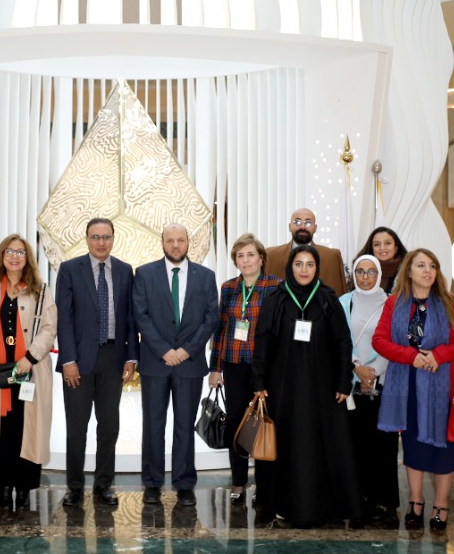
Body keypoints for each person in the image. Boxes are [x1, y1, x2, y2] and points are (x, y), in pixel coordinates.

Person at [251, 245, 360, 527]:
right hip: (282, 389)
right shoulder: (275, 299)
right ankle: (284, 506)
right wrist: (259, 380)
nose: (303, 270)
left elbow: (342, 342)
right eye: (298, 264)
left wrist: (343, 381)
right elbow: (262, 340)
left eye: (309, 264)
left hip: (322, 390)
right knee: (287, 445)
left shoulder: (327, 299)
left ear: (316, 267)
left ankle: (324, 508)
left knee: (320, 446)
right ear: (290, 267)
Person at [373, 248, 454, 533]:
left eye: (432, 265)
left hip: (442, 390)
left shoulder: (449, 302)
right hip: (407, 387)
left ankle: (441, 506)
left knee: (444, 451)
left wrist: (439, 356)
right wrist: (412, 356)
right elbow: (379, 341)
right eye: (421, 265)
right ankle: (415, 503)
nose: (428, 271)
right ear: (409, 271)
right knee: (415, 448)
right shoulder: (395, 303)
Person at [132, 223, 219, 507]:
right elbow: (141, 316)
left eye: (181, 240)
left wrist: (185, 351)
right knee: (153, 425)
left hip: (189, 364)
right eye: (170, 240)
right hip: (156, 363)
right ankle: (152, 483)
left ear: (188, 242)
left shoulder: (206, 276)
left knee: (184, 424)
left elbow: (210, 318)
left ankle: (184, 483)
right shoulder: (144, 274)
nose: (176, 245)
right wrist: (164, 351)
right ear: (162, 243)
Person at [55, 217, 137, 507]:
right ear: (86, 239)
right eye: (95, 237)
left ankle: (104, 485)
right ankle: (74, 487)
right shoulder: (69, 270)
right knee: (77, 427)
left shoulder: (126, 271)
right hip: (78, 361)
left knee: (109, 426)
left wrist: (131, 356)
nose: (101, 242)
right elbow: (63, 319)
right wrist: (68, 360)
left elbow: (130, 317)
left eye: (106, 237)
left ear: (113, 238)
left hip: (113, 358)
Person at [0, 234, 59, 511]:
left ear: (27, 258)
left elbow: (48, 329)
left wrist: (29, 358)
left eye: (20, 252)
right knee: (2, 433)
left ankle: (23, 490)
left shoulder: (41, 290)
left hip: (29, 372)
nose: (14, 256)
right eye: (9, 251)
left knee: (26, 431)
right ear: (2, 256)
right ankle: (3, 489)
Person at [208, 233, 281, 504]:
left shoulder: (276, 286)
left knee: (262, 425)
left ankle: (265, 487)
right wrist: (215, 368)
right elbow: (220, 329)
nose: (246, 260)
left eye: (250, 254)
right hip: (234, 364)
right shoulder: (228, 287)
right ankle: (238, 483)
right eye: (240, 256)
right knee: (237, 426)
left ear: (261, 258)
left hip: (265, 369)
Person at [338, 254, 399, 523]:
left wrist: (374, 373)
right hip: (352, 386)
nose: (365, 277)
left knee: (383, 446)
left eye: (370, 272)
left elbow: (395, 340)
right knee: (355, 446)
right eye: (360, 272)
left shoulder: (391, 303)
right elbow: (339, 339)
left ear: (379, 275)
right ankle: (358, 500)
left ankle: (384, 503)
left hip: (382, 383)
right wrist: (356, 367)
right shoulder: (344, 302)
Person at [263, 207, 347, 296]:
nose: (302, 226)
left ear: (315, 228)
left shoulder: (331, 257)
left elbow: (340, 298)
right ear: (290, 227)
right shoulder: (271, 255)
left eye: (308, 223)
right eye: (297, 222)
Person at [356, 227, 406, 293]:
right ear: (372, 248)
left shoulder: (408, 271)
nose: (382, 248)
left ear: (396, 247)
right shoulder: (360, 270)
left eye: (388, 243)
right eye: (377, 244)